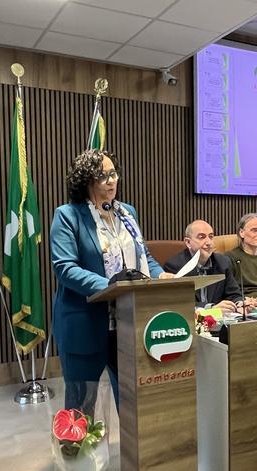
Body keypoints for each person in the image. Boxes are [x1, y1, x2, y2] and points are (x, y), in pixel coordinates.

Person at [50, 149, 172, 412]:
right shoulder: (68, 215)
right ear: (86, 180)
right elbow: (65, 268)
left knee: (132, 406)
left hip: (129, 324)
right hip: (85, 324)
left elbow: (144, 255)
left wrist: (160, 274)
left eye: (113, 174)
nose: (111, 181)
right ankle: (80, 442)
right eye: (102, 176)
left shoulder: (127, 213)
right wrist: (113, 287)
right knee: (81, 409)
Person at [163, 220, 245, 313]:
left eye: (211, 237)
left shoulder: (223, 262)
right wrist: (210, 309)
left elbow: (234, 294)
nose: (208, 242)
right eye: (201, 237)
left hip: (222, 319)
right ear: (188, 242)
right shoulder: (175, 266)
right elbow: (180, 303)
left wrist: (240, 304)